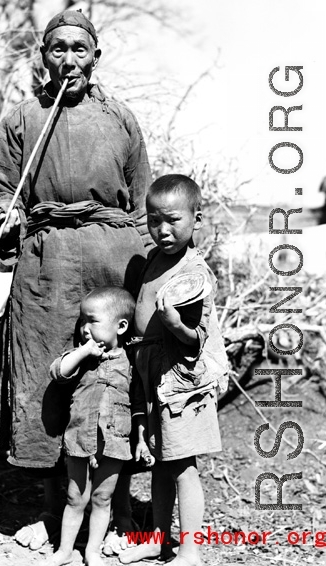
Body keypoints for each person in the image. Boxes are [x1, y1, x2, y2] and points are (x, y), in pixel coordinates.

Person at [0, 9, 151, 550]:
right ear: (43, 57)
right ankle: (55, 516)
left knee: (119, 380)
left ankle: (119, 514)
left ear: (96, 56)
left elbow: (143, 202)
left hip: (112, 259)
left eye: (80, 49)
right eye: (58, 49)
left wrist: (147, 272)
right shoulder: (23, 119)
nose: (69, 59)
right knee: (48, 381)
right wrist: (5, 216)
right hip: (46, 266)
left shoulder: (121, 118)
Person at [120, 174, 229, 566]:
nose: (162, 230)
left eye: (172, 220)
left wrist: (175, 324)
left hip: (181, 381)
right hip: (150, 374)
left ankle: (191, 549)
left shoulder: (194, 273)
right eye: (153, 220)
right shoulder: (153, 260)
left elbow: (196, 339)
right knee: (162, 464)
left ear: (196, 220)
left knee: (184, 466)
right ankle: (158, 539)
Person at [43, 287, 153, 566]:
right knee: (75, 498)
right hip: (80, 438)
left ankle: (92, 550)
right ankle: (65, 551)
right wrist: (83, 352)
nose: (84, 328)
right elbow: (58, 371)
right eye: (82, 321)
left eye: (92, 321)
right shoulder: (81, 358)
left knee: (103, 498)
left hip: (115, 441)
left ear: (121, 326)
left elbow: (139, 404)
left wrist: (141, 439)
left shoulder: (130, 361)